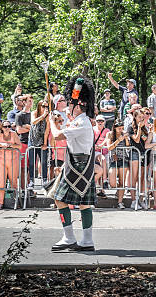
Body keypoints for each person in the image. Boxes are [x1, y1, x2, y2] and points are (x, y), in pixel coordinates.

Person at [48, 75, 97, 252]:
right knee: (83, 203)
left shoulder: (82, 122)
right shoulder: (79, 121)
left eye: (71, 103)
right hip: (76, 164)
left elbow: (57, 136)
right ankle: (86, 241)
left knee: (59, 199)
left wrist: (51, 122)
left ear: (78, 105)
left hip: (78, 167)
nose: (68, 105)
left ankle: (69, 238)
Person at [0, 120, 21, 209]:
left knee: (14, 182)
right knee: (1, 182)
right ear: (2, 127)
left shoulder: (14, 134)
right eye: (5, 126)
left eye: (9, 126)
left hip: (13, 160)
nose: (7, 128)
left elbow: (19, 146)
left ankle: (15, 202)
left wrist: (11, 145)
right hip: (1, 160)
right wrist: (0, 144)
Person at [105, 120, 131, 208]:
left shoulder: (124, 133)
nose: (121, 130)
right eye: (119, 128)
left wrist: (126, 138)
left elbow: (128, 146)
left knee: (122, 182)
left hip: (123, 158)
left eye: (122, 128)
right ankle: (118, 191)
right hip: (113, 159)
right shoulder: (110, 134)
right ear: (115, 128)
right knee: (112, 182)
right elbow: (109, 147)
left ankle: (120, 202)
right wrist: (118, 140)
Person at [29, 100, 50, 185]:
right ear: (39, 106)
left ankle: (44, 179)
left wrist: (45, 143)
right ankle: (31, 180)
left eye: (47, 107)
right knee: (31, 162)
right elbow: (33, 122)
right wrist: (43, 116)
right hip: (33, 139)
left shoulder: (48, 117)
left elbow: (47, 131)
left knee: (44, 161)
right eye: (43, 106)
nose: (45, 108)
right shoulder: (34, 113)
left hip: (42, 139)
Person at [15, 94, 33, 188]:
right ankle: (22, 188)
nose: (31, 103)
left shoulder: (34, 114)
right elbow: (19, 130)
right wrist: (30, 128)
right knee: (23, 168)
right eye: (29, 101)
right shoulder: (19, 115)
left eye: (32, 101)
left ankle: (29, 188)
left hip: (33, 143)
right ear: (24, 102)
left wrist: (26, 126)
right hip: (23, 143)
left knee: (31, 168)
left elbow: (36, 129)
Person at [93, 115, 109, 197]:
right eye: (98, 121)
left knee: (102, 169)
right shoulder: (92, 129)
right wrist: (94, 146)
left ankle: (101, 189)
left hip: (104, 151)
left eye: (101, 121)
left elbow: (108, 139)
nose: (99, 122)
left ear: (104, 122)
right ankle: (105, 180)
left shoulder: (107, 130)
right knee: (102, 160)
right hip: (95, 152)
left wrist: (102, 145)